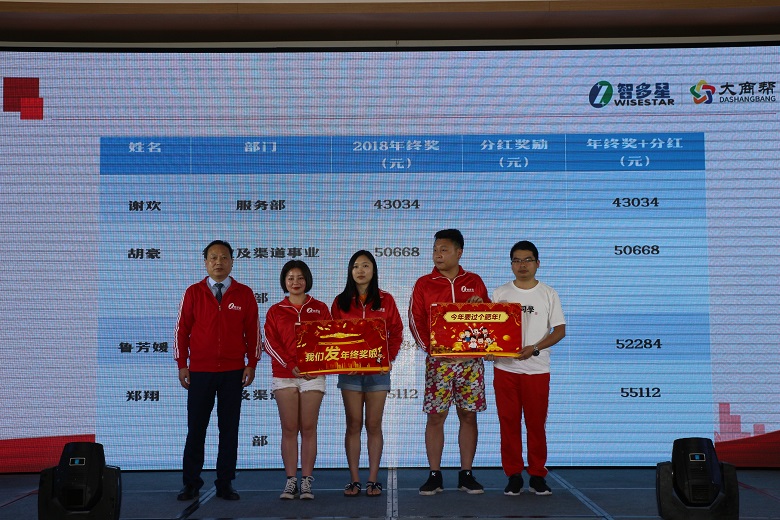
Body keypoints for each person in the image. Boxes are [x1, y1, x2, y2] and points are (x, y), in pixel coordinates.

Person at [174, 240, 260, 501]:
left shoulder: (244, 293)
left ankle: (225, 483)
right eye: (213, 257)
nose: (218, 262)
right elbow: (181, 330)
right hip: (200, 372)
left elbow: (253, 332)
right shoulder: (193, 292)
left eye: (224, 257)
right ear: (205, 263)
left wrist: (252, 363)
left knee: (229, 429)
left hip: (233, 372)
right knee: (196, 428)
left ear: (232, 262)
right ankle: (191, 483)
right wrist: (182, 364)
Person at [408, 229, 490, 495]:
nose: (438, 255)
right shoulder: (424, 283)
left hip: (470, 363)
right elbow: (416, 320)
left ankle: (466, 474)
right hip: (439, 362)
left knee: (468, 415)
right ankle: (434, 474)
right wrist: (432, 351)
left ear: (459, 252)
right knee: (436, 417)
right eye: (435, 250)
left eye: (443, 250)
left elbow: (491, 319)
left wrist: (480, 305)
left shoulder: (474, 281)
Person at [491, 240, 566, 496]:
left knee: (536, 424)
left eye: (527, 260)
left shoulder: (548, 293)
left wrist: (534, 348)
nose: (522, 265)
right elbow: (492, 331)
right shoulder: (500, 293)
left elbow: (560, 330)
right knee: (508, 423)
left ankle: (537, 475)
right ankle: (513, 474)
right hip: (505, 369)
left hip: (537, 369)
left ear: (537, 263)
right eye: (516, 260)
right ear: (511, 264)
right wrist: (490, 350)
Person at [331, 250, 404, 497]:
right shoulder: (340, 301)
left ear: (374, 270)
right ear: (350, 272)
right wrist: (342, 361)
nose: (360, 270)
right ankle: (354, 479)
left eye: (365, 265)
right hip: (350, 373)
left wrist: (388, 359)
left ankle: (373, 479)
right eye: (355, 266)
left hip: (377, 373)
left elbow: (396, 332)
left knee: (374, 424)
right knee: (353, 424)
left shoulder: (386, 299)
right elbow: (331, 336)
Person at [263, 260, 331, 500]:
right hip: (285, 376)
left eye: (300, 277)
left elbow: (329, 339)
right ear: (284, 281)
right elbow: (270, 343)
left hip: (313, 376)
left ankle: (307, 482)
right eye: (290, 277)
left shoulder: (320, 308)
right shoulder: (275, 310)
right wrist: (290, 365)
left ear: (307, 280)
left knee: (309, 427)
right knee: (289, 428)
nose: (295, 282)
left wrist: (314, 365)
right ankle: (291, 481)